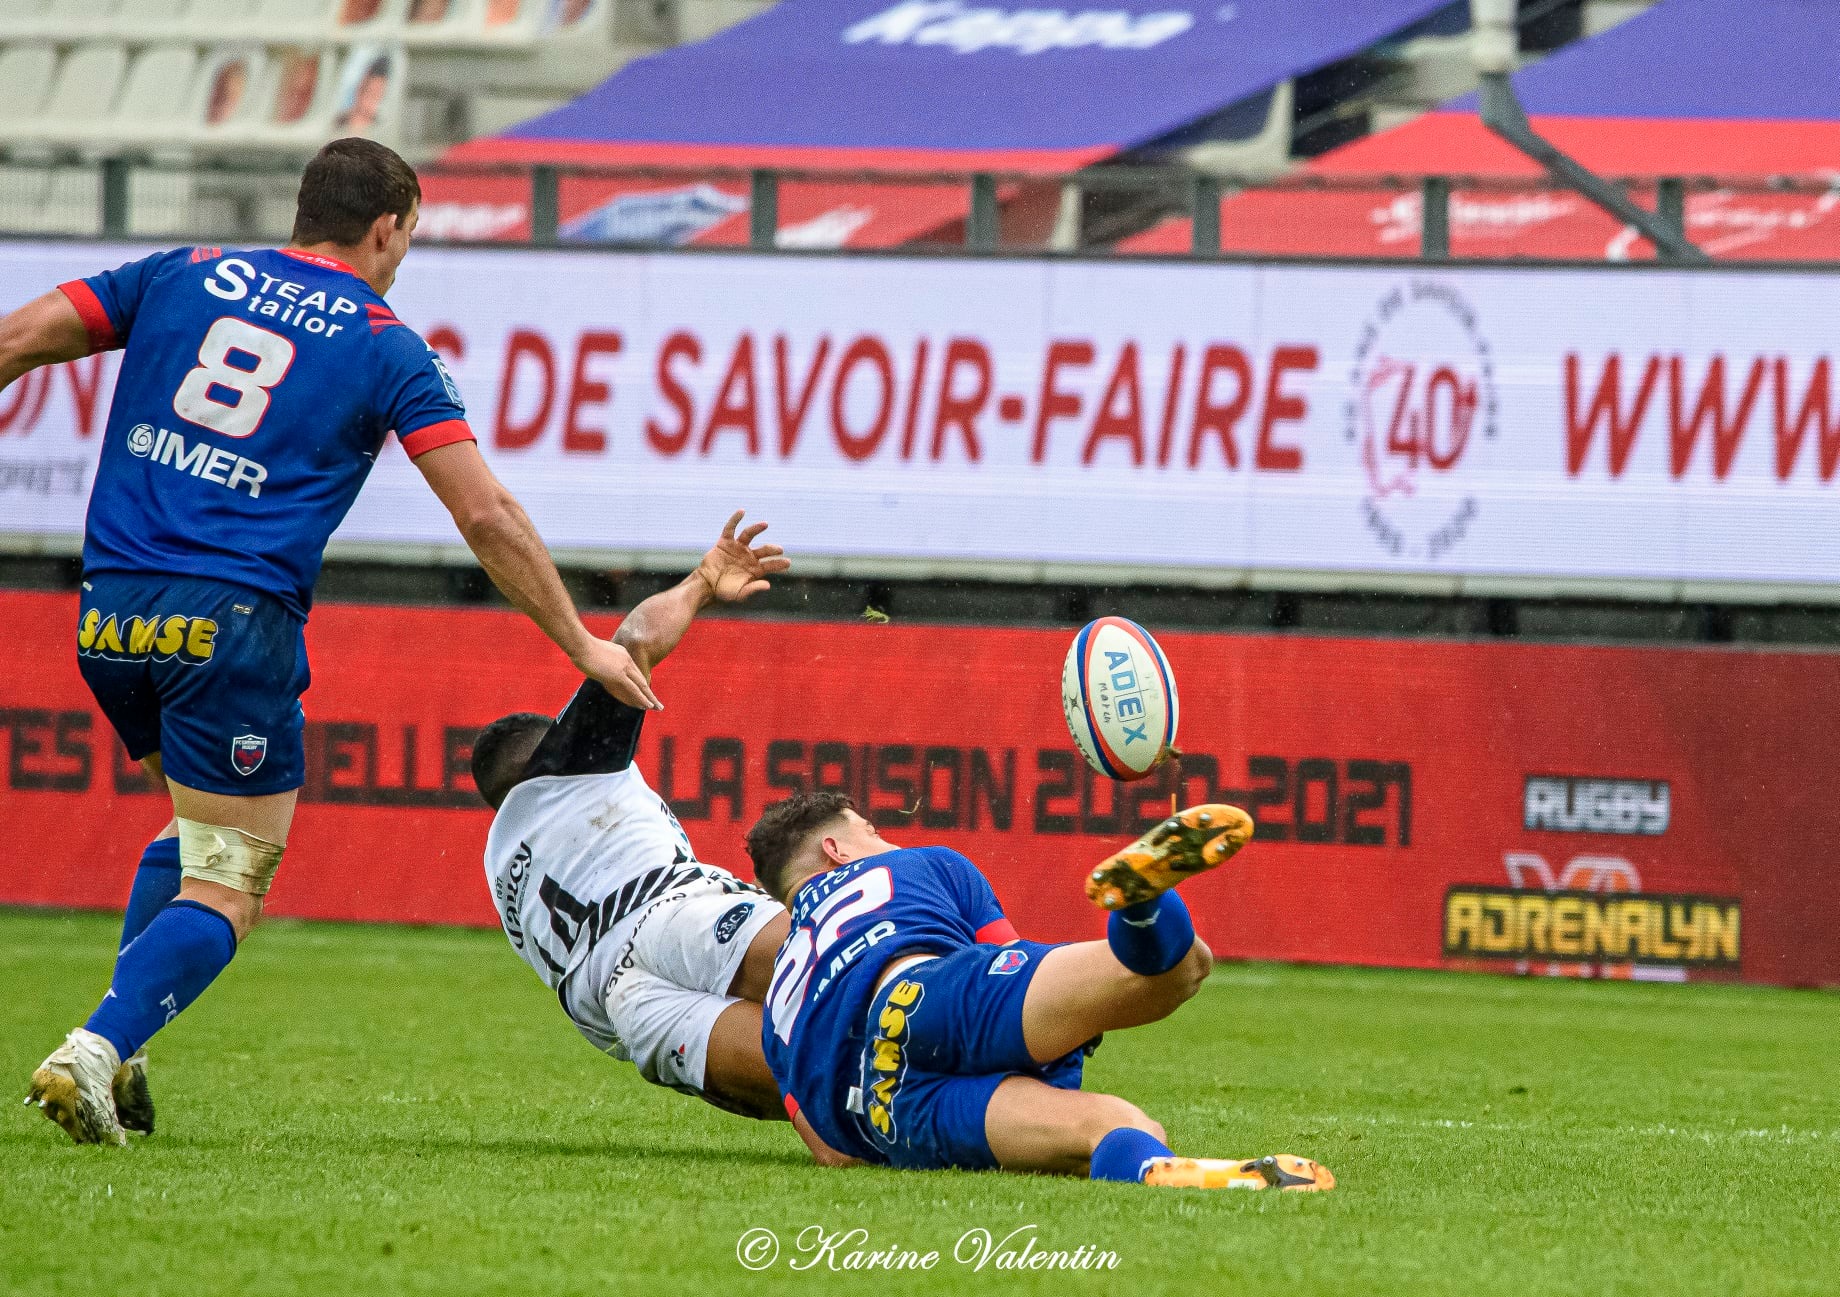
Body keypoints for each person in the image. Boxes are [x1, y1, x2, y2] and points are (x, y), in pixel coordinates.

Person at [1, 137, 660, 1146]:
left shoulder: (179, 273)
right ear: (386, 228)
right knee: (232, 879)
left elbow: (18, 338)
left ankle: (126, 1049)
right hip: (229, 627)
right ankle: (93, 1049)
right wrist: (578, 641)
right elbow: (485, 513)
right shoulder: (385, 343)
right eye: (409, 235)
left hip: (108, 613)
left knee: (192, 829)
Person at [748, 794, 1338, 1189]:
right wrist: (1078, 1019)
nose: (889, 839)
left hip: (888, 1112)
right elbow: (1005, 958)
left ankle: (1180, 1175)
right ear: (837, 850)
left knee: (1109, 1128)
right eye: (873, 831)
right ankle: (1141, 907)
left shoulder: (778, 1001)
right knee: (1182, 967)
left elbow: (832, 1152)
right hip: (923, 995)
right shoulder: (924, 864)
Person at [470, 511, 794, 1118]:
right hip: (672, 919)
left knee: (829, 1087)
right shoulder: (565, 773)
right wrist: (702, 581)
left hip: (621, 1003)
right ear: (548, 750)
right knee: (853, 983)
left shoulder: (500, 868)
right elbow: (635, 641)